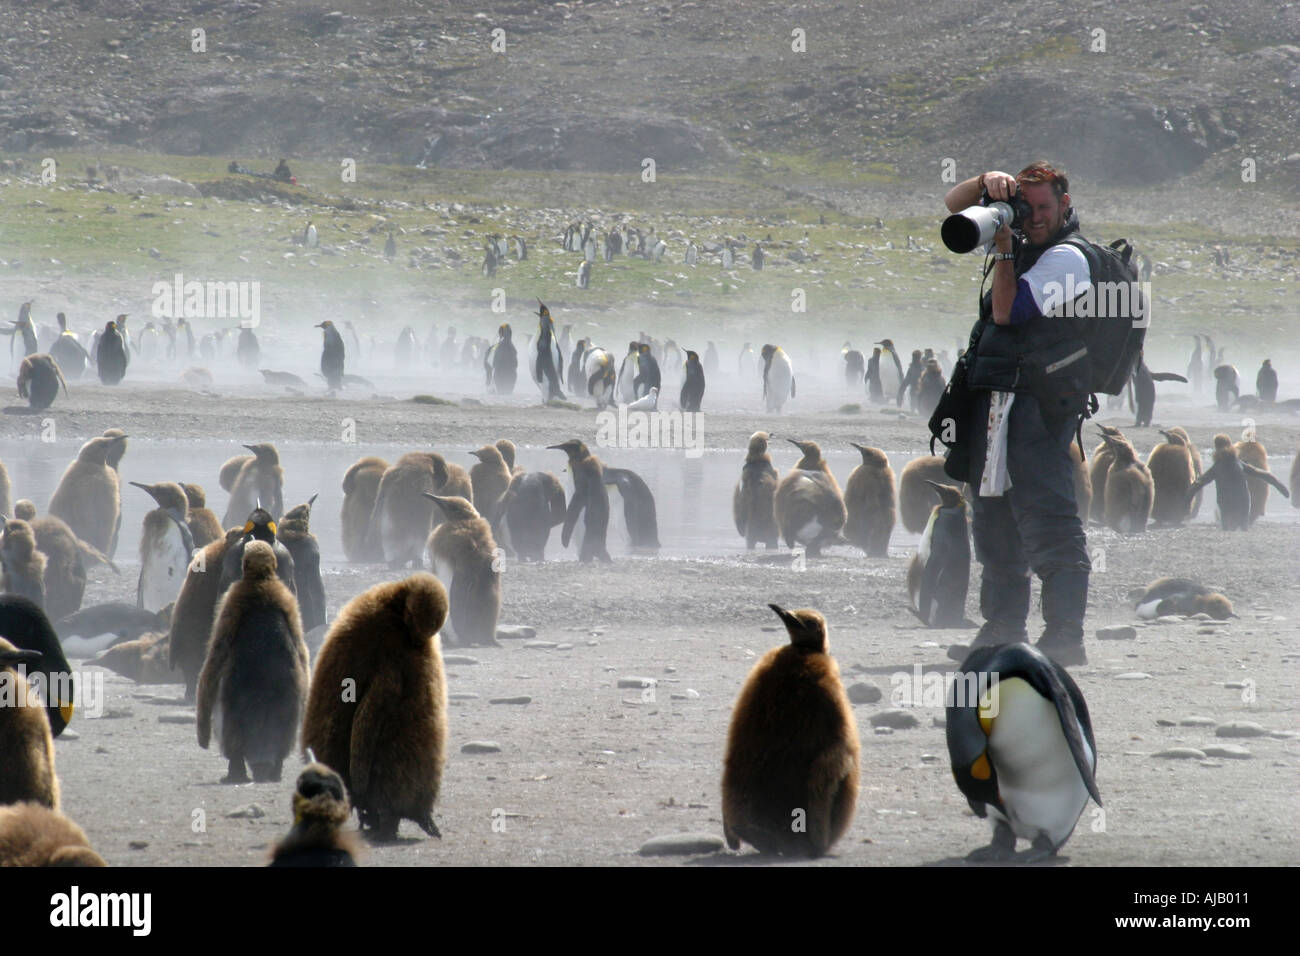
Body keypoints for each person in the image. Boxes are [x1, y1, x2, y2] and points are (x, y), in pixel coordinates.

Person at [943, 161, 1092, 667]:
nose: (1034, 218)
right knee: (993, 517)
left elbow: (1009, 312)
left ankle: (1065, 636)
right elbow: (952, 206)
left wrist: (1004, 247)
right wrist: (987, 184)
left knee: (1049, 519)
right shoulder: (1021, 240)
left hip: (1038, 409)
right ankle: (1002, 628)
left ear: (1065, 204)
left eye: (1044, 207)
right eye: (1027, 208)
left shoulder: (1069, 259)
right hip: (996, 403)